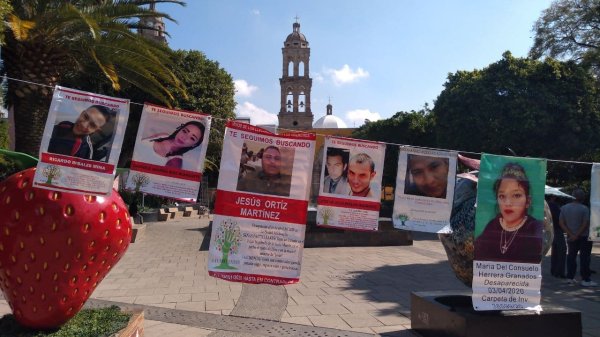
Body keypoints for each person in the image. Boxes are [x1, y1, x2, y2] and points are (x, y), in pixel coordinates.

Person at [475, 163, 544, 263]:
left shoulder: (534, 228)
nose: (507, 203)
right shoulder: (492, 226)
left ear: (528, 201)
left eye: (516, 195)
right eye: (502, 196)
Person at [48, 105, 113, 160]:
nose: (84, 125)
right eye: (85, 117)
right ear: (82, 113)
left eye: (92, 125)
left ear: (96, 130)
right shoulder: (65, 124)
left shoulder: (85, 150)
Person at [560, 189, 597, 286]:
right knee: (584, 258)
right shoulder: (585, 209)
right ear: (583, 198)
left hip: (570, 236)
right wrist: (577, 234)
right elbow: (585, 223)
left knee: (571, 256)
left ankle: (570, 277)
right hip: (584, 236)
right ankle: (585, 279)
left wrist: (571, 234)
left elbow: (561, 223)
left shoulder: (564, 208)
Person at [138, 121, 205, 169]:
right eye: (184, 131)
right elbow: (139, 143)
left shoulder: (175, 162)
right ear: (180, 129)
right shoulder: (163, 135)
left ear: (194, 145)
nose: (184, 137)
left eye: (192, 138)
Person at [547, 195, 566, 278]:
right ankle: (559, 272)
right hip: (557, 230)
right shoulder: (554, 206)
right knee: (561, 250)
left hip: (550, 229)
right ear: (553, 197)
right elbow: (559, 219)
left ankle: (553, 270)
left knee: (554, 251)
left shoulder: (546, 205)